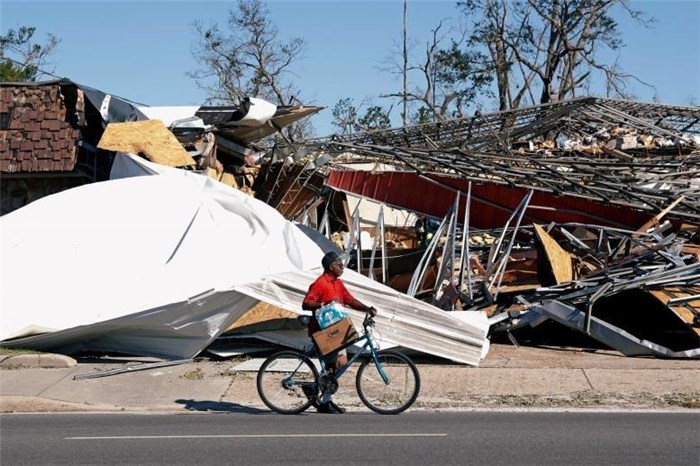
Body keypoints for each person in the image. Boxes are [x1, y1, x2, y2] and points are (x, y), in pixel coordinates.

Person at [302, 250, 378, 414]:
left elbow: (349, 300)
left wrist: (367, 308)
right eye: (338, 264)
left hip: (337, 330)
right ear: (330, 267)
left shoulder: (338, 283)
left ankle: (315, 389)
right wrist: (323, 304)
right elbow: (306, 303)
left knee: (341, 364)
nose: (342, 266)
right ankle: (325, 402)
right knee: (331, 365)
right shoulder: (320, 284)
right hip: (324, 331)